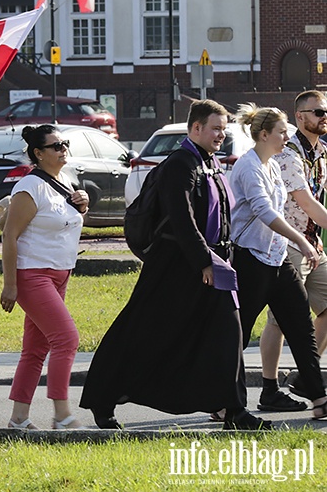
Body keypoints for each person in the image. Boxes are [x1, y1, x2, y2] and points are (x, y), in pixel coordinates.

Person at [80, 99, 261, 430]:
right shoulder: (180, 164)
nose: (221, 135)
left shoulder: (210, 162)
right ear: (196, 128)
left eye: (224, 129)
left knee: (227, 332)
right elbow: (182, 219)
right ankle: (103, 398)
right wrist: (204, 262)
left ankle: (234, 410)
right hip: (176, 266)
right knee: (144, 331)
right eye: (216, 128)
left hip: (211, 264)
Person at [229, 104, 327, 422]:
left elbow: (279, 210)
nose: (286, 136)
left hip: (277, 258)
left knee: (301, 328)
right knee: (239, 334)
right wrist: (300, 240)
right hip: (251, 260)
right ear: (264, 134)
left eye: (286, 131)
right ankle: (224, 402)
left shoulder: (271, 164)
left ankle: (319, 398)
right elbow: (263, 211)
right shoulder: (248, 167)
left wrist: (295, 243)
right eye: (282, 132)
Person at [0, 125, 88, 430]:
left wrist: (82, 207)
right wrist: (10, 284)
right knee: (67, 339)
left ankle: (19, 419)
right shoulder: (29, 188)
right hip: (31, 274)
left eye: (65, 143)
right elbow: (9, 236)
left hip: (60, 273)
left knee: (36, 349)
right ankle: (62, 414)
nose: (63, 149)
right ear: (38, 154)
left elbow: (62, 224)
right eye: (55, 146)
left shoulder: (65, 181)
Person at [259, 91, 327, 411]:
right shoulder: (287, 154)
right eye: (318, 112)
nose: (324, 116)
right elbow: (306, 202)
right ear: (300, 117)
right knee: (280, 320)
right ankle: (269, 389)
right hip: (287, 245)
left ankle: (304, 377)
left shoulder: (323, 151)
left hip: (314, 243)